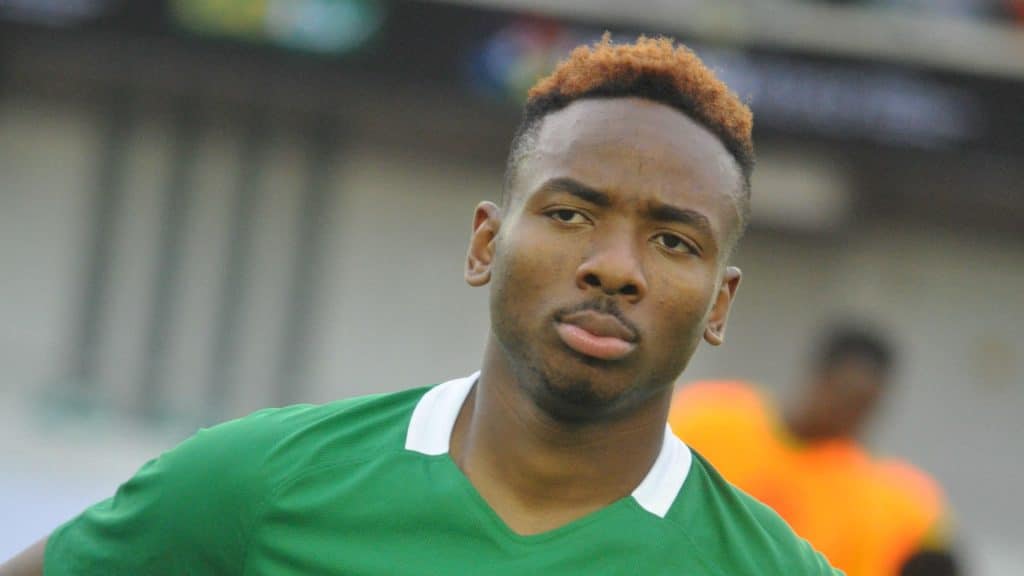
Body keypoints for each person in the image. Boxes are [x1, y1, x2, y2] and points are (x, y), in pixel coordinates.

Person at [1, 36, 839, 575]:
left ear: (720, 304)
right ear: (485, 244)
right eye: (569, 215)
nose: (615, 269)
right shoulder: (254, 484)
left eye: (674, 241)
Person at [669, 324, 959, 576]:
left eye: (866, 406)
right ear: (819, 376)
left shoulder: (883, 495)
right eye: (847, 397)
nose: (850, 416)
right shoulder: (709, 420)